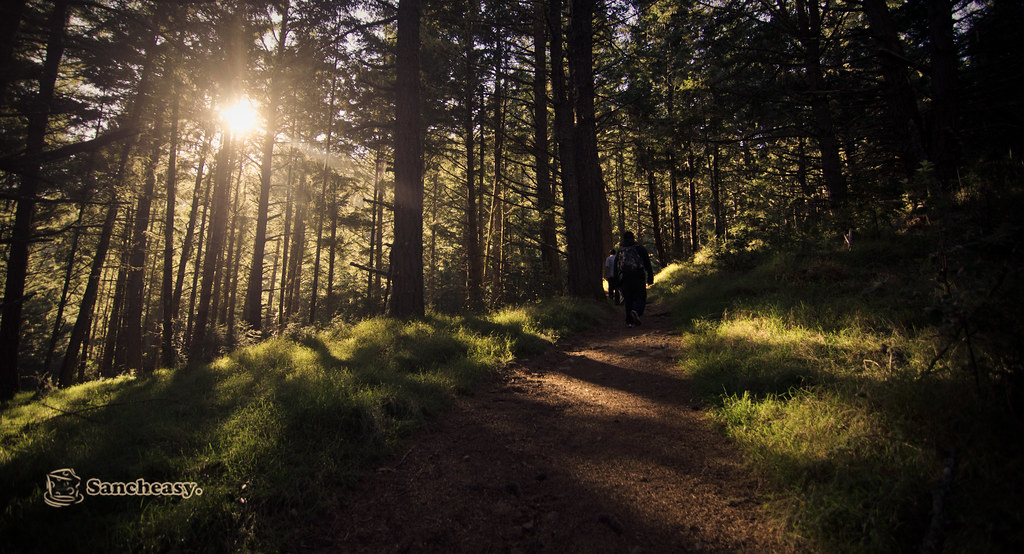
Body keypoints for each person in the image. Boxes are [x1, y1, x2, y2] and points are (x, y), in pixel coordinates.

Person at [614, 231, 654, 327]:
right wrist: (650, 277)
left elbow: (616, 265)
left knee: (628, 299)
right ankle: (636, 311)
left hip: (625, 277)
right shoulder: (640, 248)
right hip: (638, 275)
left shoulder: (620, 250)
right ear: (633, 238)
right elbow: (647, 263)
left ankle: (629, 321)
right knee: (640, 296)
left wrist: (616, 280)